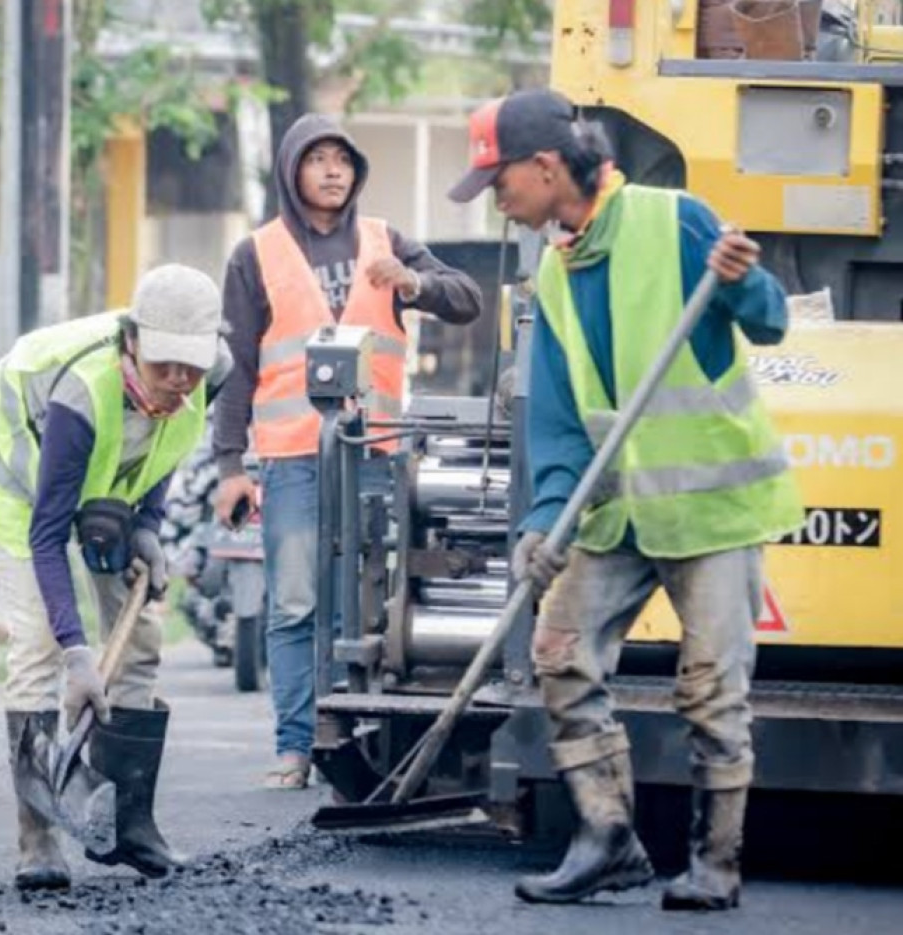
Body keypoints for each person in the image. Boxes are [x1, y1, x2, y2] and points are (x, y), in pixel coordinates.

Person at [448, 89, 803, 910]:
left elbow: (774, 320)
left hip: (710, 508)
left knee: (712, 685)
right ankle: (607, 838)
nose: (494, 198)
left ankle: (716, 860)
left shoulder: (675, 220)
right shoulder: (554, 265)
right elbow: (563, 419)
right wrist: (543, 522)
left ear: (545, 167)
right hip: (617, 511)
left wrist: (742, 284)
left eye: (497, 179)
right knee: (560, 653)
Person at [213, 114, 483, 790]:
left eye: (343, 159)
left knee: (366, 606)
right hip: (293, 458)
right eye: (318, 159)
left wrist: (414, 283)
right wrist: (228, 466)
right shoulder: (256, 254)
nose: (333, 170)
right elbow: (236, 369)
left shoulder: (385, 242)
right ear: (290, 170)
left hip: (374, 456)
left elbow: (468, 300)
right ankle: (295, 746)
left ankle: (356, 743)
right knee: (296, 603)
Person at [0, 264, 232, 892]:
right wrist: (77, 652)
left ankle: (130, 827)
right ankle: (38, 841)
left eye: (188, 368)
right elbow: (47, 534)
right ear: (131, 341)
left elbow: (167, 443)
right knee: (39, 644)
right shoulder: (80, 393)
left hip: (107, 480)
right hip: (19, 472)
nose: (177, 381)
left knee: (138, 637)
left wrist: (148, 524)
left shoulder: (208, 371)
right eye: (164, 365)